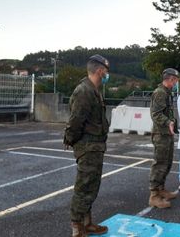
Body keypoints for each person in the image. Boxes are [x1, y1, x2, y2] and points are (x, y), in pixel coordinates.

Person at [63, 54, 111, 237]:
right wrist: (70, 139)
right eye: (106, 71)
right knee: (84, 187)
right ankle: (77, 227)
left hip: (96, 147)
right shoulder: (84, 91)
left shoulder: (94, 90)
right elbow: (76, 121)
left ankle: (87, 222)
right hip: (87, 146)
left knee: (91, 186)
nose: (107, 75)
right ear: (100, 70)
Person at [148, 68, 180, 209]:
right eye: (176, 80)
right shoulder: (160, 93)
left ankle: (161, 189)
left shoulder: (167, 93)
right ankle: (154, 195)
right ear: (171, 79)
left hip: (167, 134)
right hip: (160, 134)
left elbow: (168, 112)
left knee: (166, 163)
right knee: (160, 164)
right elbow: (155, 114)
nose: (177, 82)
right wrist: (169, 122)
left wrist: (172, 122)